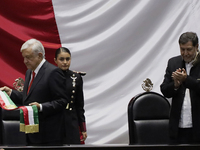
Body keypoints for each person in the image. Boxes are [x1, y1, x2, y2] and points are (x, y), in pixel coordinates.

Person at [0, 39, 68, 146]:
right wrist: (11, 93)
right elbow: (28, 98)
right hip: (32, 133)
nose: (25, 61)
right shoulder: (29, 72)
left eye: (28, 57)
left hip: (49, 136)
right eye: (24, 57)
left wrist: (40, 107)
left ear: (40, 56)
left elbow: (62, 101)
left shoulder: (53, 72)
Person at [160, 32, 200, 144]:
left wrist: (186, 80)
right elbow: (165, 90)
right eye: (182, 49)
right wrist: (175, 85)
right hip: (178, 126)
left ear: (197, 47)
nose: (185, 53)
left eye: (189, 49)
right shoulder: (173, 63)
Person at [54, 47, 87, 144]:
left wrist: (83, 128)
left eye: (67, 59)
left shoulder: (76, 78)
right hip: (55, 120)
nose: (65, 62)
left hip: (71, 120)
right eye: (61, 59)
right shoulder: (50, 76)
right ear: (55, 60)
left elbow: (79, 105)